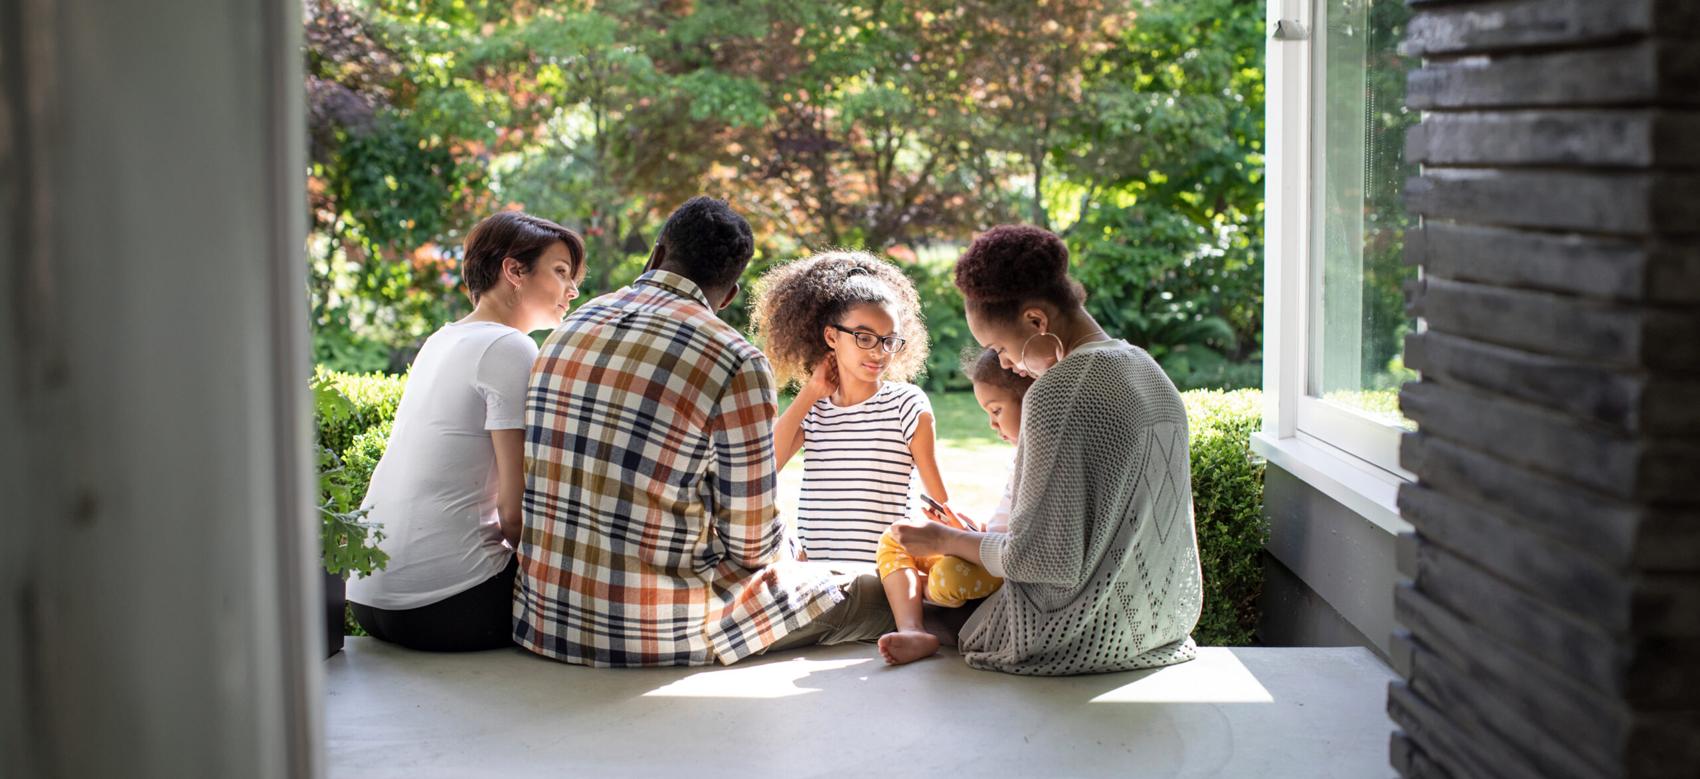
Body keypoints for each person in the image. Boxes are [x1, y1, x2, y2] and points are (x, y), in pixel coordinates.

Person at [513, 197, 895, 667]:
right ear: (731, 294)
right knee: (884, 593)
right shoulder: (736, 361)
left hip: (544, 616)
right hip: (656, 631)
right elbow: (753, 545)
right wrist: (790, 550)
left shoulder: (574, 324)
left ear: (655, 256)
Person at [890, 224, 1203, 675]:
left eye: (998, 347)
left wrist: (947, 538)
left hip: (1080, 636)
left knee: (903, 594)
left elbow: (1041, 559)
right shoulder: (1149, 370)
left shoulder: (1058, 392)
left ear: (1036, 321)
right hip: (1161, 622)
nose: (1002, 363)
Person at [347, 211, 586, 652]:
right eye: (561, 272)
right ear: (514, 270)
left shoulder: (442, 339)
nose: (573, 290)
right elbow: (513, 512)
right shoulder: (509, 346)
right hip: (448, 604)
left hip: (368, 597)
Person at [750, 251, 945, 565]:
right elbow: (763, 470)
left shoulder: (907, 405)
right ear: (831, 336)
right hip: (818, 579)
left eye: (889, 340)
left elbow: (939, 502)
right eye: (864, 337)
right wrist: (810, 393)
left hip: (884, 576)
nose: (880, 352)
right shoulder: (813, 411)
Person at [875, 348, 1033, 665]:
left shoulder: (1040, 461)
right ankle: (913, 628)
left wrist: (959, 540)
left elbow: (1020, 545)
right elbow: (997, 529)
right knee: (895, 538)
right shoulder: (1019, 457)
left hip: (1006, 567)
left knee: (949, 574)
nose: (992, 424)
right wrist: (965, 527)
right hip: (986, 549)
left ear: (1031, 403)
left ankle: (916, 591)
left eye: (997, 411)